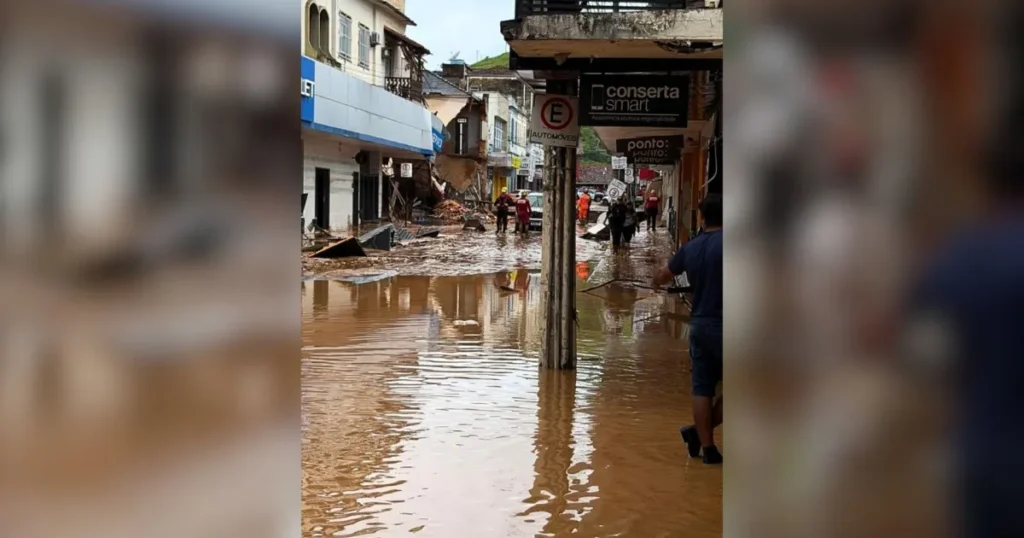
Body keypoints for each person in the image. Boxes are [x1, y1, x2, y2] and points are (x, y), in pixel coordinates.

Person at [653, 193, 723, 464]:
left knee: (702, 388)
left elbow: (662, 275)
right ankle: (697, 432)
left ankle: (707, 448)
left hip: (700, 326)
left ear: (701, 218)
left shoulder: (691, 248)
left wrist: (656, 280)